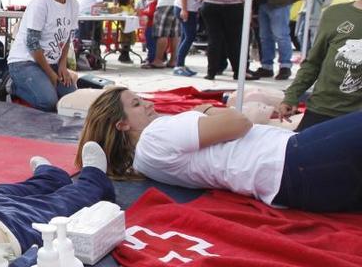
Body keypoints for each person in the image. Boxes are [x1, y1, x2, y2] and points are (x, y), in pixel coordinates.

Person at [78, 87, 362, 213]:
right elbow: (240, 122)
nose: (149, 104)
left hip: (290, 181)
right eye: (137, 104)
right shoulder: (156, 135)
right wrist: (205, 108)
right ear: (122, 125)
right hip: (294, 160)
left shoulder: (144, 162)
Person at [278, 0, 362, 131]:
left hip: (356, 119)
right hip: (322, 109)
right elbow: (314, 62)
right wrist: (292, 96)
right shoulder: (335, 14)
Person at [7, 0, 80, 111]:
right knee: (49, 102)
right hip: (24, 62)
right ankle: (13, 86)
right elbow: (32, 43)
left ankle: (38, 84)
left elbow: (67, 37)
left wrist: (62, 65)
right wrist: (51, 75)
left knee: (71, 101)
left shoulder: (74, 5)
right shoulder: (41, 3)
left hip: (50, 63)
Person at [142, 0, 158, 65]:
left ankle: (151, 58)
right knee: (152, 43)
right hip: (152, 25)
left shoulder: (153, 3)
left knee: (150, 42)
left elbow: (151, 13)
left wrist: (142, 12)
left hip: (151, 26)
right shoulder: (153, 3)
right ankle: (151, 57)